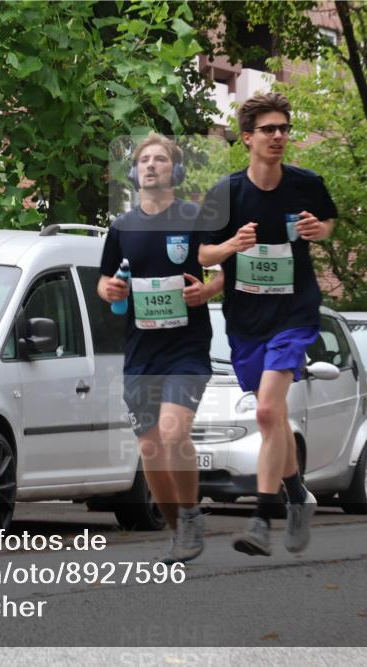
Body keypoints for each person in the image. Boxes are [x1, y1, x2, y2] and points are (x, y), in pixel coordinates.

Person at [198, 93, 337, 556]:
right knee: (274, 416)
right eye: (268, 130)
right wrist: (232, 245)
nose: (278, 136)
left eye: (284, 128)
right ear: (247, 138)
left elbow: (327, 221)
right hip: (245, 320)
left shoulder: (306, 184)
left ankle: (262, 517)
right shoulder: (227, 193)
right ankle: (298, 496)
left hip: (293, 314)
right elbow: (202, 255)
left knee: (264, 412)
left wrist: (321, 230)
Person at [98, 134, 224, 563]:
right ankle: (181, 529)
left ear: (176, 170)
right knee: (150, 448)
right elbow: (104, 280)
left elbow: (225, 270)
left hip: (186, 349)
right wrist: (110, 287)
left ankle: (189, 517)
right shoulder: (122, 227)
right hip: (140, 352)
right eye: (144, 160)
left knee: (173, 433)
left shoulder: (195, 217)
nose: (151, 166)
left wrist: (207, 292)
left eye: (161, 159)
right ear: (135, 173)